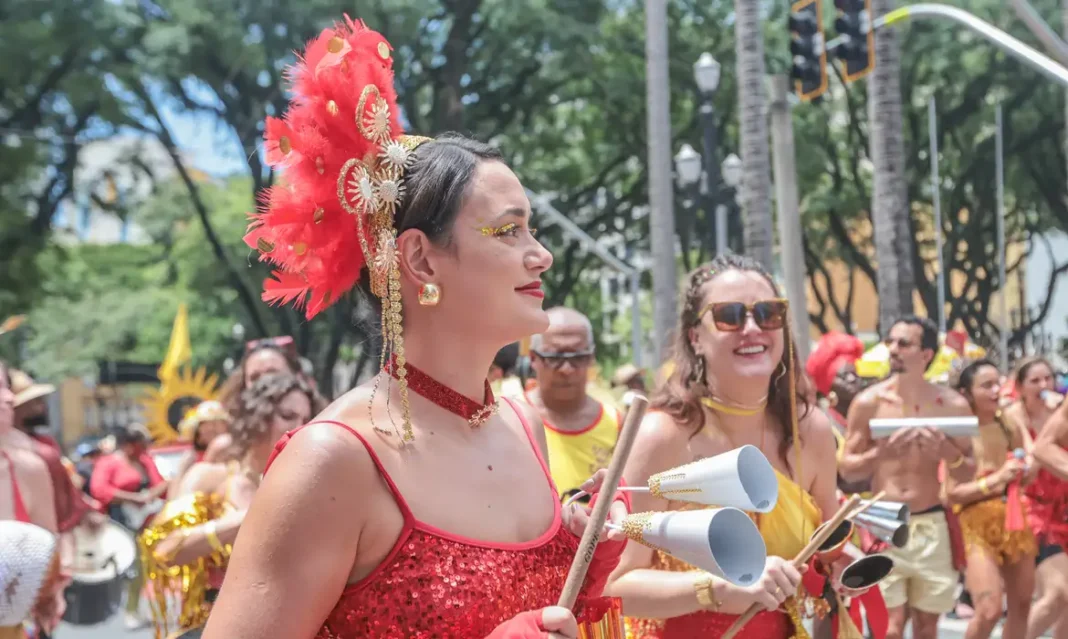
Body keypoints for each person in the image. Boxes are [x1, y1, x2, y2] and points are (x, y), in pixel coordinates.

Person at [201, 17, 627, 639]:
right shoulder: (333, 461)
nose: (542, 255)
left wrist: (581, 563)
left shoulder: (524, 423)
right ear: (421, 259)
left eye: (531, 229)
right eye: (508, 231)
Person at [605, 255, 848, 639]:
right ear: (695, 338)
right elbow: (614, 585)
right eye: (729, 316)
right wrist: (716, 589)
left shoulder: (810, 430)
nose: (752, 328)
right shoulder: (662, 436)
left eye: (768, 313)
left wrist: (843, 567)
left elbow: (828, 553)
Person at [140, 373, 317, 637]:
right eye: (288, 416)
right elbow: (163, 549)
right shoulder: (210, 476)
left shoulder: (302, 486)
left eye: (306, 420)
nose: (300, 428)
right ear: (256, 419)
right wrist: (246, 519)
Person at [840, 315, 974, 639]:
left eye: (904, 343)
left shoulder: (952, 404)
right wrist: (880, 454)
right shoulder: (869, 402)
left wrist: (947, 452)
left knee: (927, 628)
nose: (893, 349)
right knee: (889, 628)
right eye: (890, 341)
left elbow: (969, 469)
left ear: (926, 354)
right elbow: (846, 468)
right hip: (884, 520)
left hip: (932, 522)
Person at [946, 359, 1036, 639]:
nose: (996, 390)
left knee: (1022, 604)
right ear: (966, 393)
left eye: (998, 383)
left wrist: (1025, 468)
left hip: (1014, 517)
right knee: (989, 610)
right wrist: (996, 480)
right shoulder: (958, 432)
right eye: (987, 385)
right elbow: (951, 494)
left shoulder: (1008, 422)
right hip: (975, 524)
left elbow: (1028, 465)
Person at [526, 307, 622, 501]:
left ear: (591, 357)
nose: (567, 369)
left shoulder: (617, 424)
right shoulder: (509, 419)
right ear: (533, 358)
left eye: (578, 357)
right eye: (555, 358)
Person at [89, 424, 168, 629]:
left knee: (142, 566)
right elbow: (100, 489)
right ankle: (126, 608)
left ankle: (133, 608)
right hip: (120, 521)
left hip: (146, 521)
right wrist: (132, 498)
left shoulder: (145, 461)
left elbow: (159, 483)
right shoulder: (109, 463)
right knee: (128, 565)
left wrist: (150, 495)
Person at [1027, 357, 1068, 639]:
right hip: (1040, 513)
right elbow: (1040, 449)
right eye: (1035, 380)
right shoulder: (1014, 415)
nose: (1043, 385)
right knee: (1058, 594)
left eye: (1048, 379)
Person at [167, 400, 232, 497]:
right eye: (205, 424)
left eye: (217, 423)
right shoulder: (190, 458)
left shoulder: (235, 453)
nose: (211, 428)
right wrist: (182, 470)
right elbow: (174, 499)